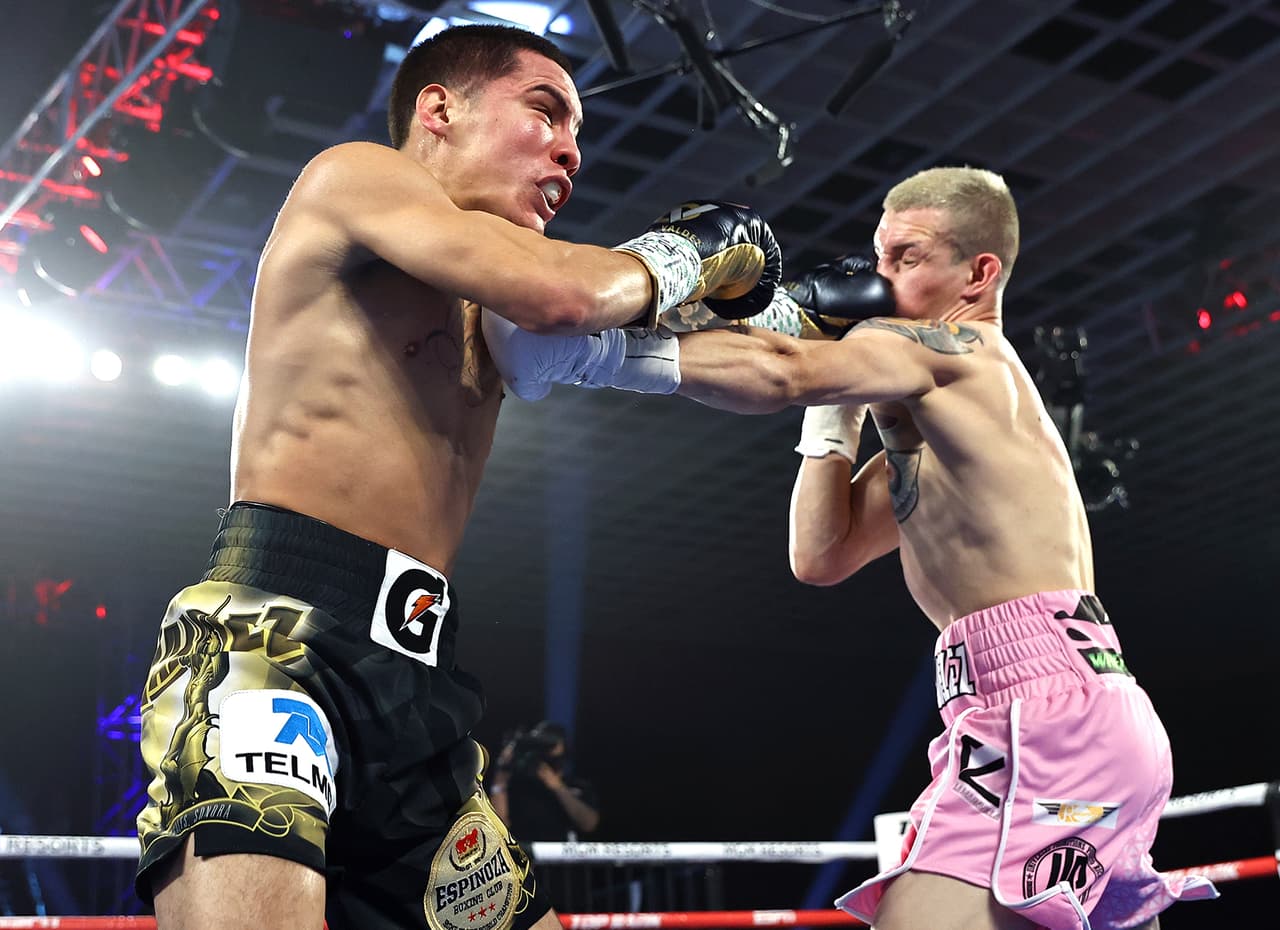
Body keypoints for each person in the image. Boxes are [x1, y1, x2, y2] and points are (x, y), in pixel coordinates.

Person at [133, 23, 781, 930]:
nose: (570, 150)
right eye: (546, 111)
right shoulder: (356, 176)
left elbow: (743, 366)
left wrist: (808, 314)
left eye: (579, 135)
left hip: (414, 679)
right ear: (439, 109)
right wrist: (690, 254)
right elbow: (565, 290)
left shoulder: (505, 312)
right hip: (272, 642)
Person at [481, 166, 1219, 930]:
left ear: (980, 272)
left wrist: (587, 353)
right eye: (879, 256)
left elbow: (781, 369)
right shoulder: (943, 421)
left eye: (908, 257)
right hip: (1062, 711)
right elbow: (820, 554)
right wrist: (842, 411)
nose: (881, 278)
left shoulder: (957, 349)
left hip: (1045, 718)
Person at [490, 721, 600, 843]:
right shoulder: (517, 786)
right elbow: (498, 828)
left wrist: (557, 787)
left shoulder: (577, 787)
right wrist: (502, 774)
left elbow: (589, 824)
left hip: (562, 858)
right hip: (526, 857)